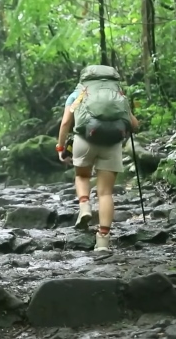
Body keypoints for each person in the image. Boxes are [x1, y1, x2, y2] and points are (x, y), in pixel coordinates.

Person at [56, 65, 139, 252]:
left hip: (84, 141)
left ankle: (84, 205)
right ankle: (103, 240)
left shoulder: (79, 93)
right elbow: (134, 125)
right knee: (105, 193)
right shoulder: (119, 95)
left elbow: (66, 123)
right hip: (112, 144)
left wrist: (61, 147)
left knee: (82, 176)